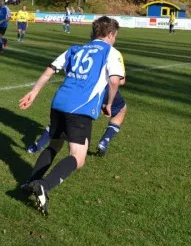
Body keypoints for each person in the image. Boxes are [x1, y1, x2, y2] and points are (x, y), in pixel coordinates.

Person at [18, 16, 125, 215]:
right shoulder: (111, 52)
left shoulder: (75, 49)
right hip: (80, 108)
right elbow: (115, 81)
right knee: (78, 157)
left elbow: (49, 70)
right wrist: (109, 104)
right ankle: (44, 186)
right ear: (110, 34)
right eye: (115, 36)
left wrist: (34, 92)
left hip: (59, 103)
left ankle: (30, 183)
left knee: (54, 145)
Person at [27, 88, 127, 156]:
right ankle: (104, 141)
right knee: (121, 109)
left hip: (78, 87)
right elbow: (119, 80)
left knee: (63, 119)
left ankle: (36, 146)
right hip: (101, 89)